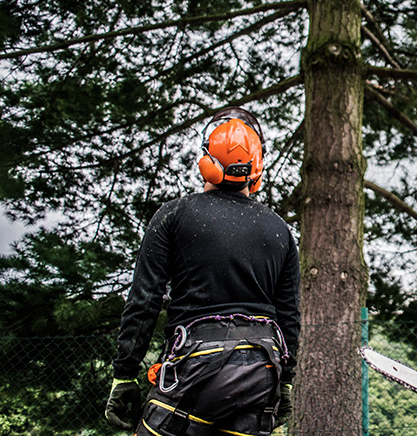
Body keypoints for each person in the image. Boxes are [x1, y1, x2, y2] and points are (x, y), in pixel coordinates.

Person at [105, 107, 301, 436]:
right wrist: (287, 384)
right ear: (257, 168)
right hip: (261, 373)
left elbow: (144, 301)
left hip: (194, 368)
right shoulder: (280, 230)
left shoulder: (174, 215)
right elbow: (289, 316)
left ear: (206, 162)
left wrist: (125, 375)